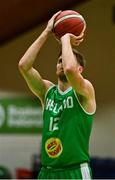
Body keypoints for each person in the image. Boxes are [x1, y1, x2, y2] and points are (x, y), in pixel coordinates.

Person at [18, 11, 96, 179]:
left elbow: (70, 69)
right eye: (59, 60)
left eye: (65, 59)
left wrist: (65, 38)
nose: (62, 63)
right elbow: (24, 65)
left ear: (80, 69)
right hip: (47, 171)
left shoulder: (84, 90)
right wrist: (47, 31)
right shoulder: (47, 91)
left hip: (74, 170)